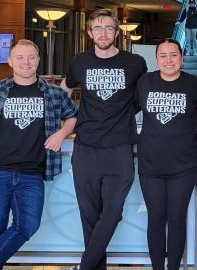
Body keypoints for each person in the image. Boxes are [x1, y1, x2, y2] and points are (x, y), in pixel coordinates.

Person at [0, 39, 77, 270]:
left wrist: (62, 133)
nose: (26, 62)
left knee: (27, 226)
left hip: (31, 175)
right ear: (11, 61)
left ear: (38, 61)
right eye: (20, 57)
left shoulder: (52, 94)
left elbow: (73, 115)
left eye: (31, 57)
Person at [60, 8, 147, 270]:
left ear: (117, 32)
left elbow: (145, 96)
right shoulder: (79, 62)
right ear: (89, 33)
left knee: (112, 212)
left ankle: (84, 266)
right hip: (85, 146)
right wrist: (64, 123)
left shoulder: (134, 63)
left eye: (109, 28)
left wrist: (124, 112)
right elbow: (63, 90)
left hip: (119, 146)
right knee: (89, 214)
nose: (103, 33)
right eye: (97, 28)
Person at [136, 39, 197, 270]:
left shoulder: (194, 84)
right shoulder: (145, 82)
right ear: (157, 59)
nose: (169, 60)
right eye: (163, 55)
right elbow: (127, 109)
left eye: (174, 55)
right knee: (155, 219)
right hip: (150, 164)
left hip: (184, 165)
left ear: (182, 58)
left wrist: (187, 126)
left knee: (176, 219)